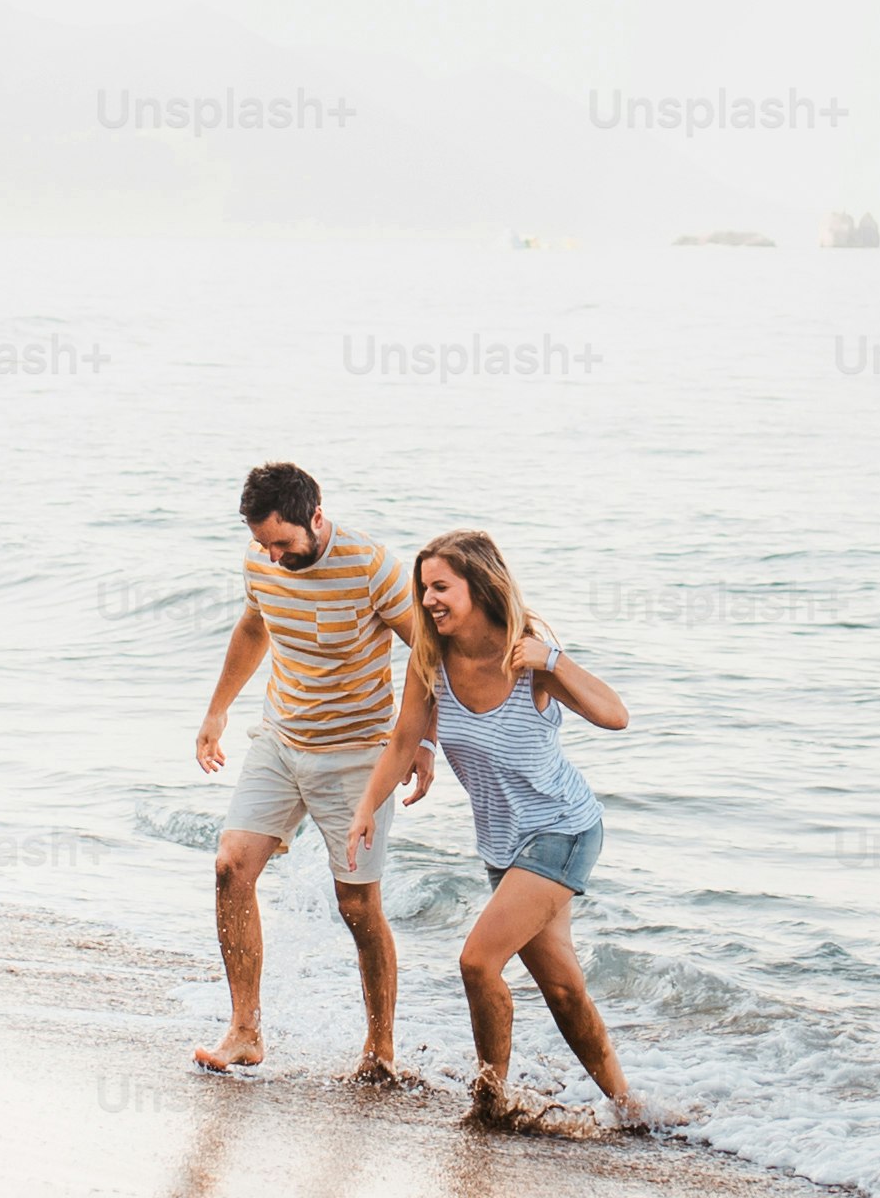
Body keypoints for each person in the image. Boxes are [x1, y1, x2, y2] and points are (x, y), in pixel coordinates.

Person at [347, 527, 643, 1130]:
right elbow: (405, 739)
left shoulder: (526, 657)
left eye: (441, 587)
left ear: (479, 586)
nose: (428, 599)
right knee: (562, 991)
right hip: (503, 845)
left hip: (563, 830)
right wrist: (365, 809)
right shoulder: (431, 662)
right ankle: (634, 1110)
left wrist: (552, 658)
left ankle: (490, 1101)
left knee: (478, 962)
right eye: (423, 587)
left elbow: (616, 716)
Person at [191, 461, 425, 1080]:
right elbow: (253, 625)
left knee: (356, 905)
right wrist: (217, 712)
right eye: (262, 544)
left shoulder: (371, 565)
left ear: (315, 518)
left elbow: (427, 653)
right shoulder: (260, 559)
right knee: (229, 869)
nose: (271, 557)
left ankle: (380, 1051)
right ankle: (245, 1032)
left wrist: (419, 740)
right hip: (280, 740)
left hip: (355, 756)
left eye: (283, 544)